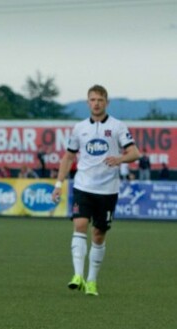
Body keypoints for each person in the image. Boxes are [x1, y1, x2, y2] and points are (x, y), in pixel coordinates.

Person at [51, 85, 140, 296]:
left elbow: (135, 152)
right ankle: (77, 275)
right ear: (87, 102)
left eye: (100, 99)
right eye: (92, 99)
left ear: (106, 102)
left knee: (98, 234)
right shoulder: (79, 128)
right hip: (83, 186)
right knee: (79, 224)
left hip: (108, 189)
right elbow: (69, 157)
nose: (96, 103)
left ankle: (91, 281)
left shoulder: (118, 127)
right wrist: (58, 184)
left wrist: (120, 158)